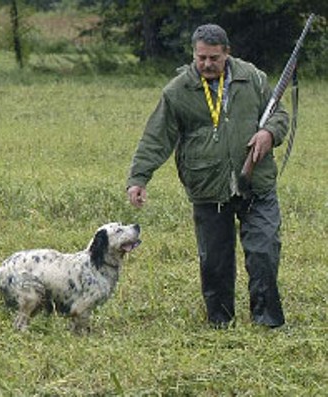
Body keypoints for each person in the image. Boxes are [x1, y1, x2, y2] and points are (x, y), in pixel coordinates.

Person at [126, 24, 287, 329]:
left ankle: (268, 322)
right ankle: (220, 323)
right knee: (214, 262)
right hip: (207, 187)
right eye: (201, 58)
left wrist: (269, 132)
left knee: (264, 253)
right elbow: (156, 138)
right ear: (193, 54)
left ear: (227, 53)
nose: (207, 64)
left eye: (214, 57)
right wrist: (138, 178)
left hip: (256, 184)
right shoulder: (177, 90)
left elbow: (279, 113)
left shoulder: (252, 78)